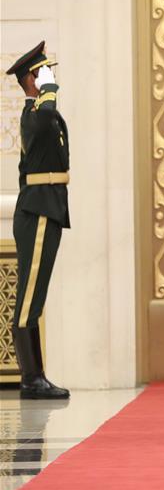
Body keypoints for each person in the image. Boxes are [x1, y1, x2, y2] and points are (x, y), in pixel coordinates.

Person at [5, 41, 70, 399]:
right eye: (45, 71)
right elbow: (45, 117)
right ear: (32, 79)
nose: (51, 76)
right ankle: (32, 378)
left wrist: (47, 92)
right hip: (40, 211)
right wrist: (48, 90)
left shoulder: (41, 115)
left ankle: (36, 376)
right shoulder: (35, 115)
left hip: (47, 208)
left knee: (36, 295)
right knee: (30, 297)